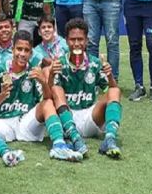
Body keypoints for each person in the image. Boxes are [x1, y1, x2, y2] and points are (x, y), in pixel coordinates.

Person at [0, 30, 83, 167]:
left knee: (48, 103)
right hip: (5, 121)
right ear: (12, 49)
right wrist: (2, 95)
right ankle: (7, 154)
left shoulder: (34, 71)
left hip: (26, 122)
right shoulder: (0, 69)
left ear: (31, 53)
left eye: (26, 50)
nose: (22, 54)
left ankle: (59, 146)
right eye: (19, 49)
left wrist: (43, 82)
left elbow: (47, 100)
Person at [50, 18, 123, 159]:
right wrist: (51, 74)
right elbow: (48, 96)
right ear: (66, 40)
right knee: (56, 89)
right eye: (72, 39)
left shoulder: (95, 63)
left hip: (90, 118)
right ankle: (75, 138)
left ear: (87, 41)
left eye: (80, 39)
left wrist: (110, 76)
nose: (76, 43)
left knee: (115, 90)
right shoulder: (60, 64)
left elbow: (111, 91)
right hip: (67, 119)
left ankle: (109, 138)